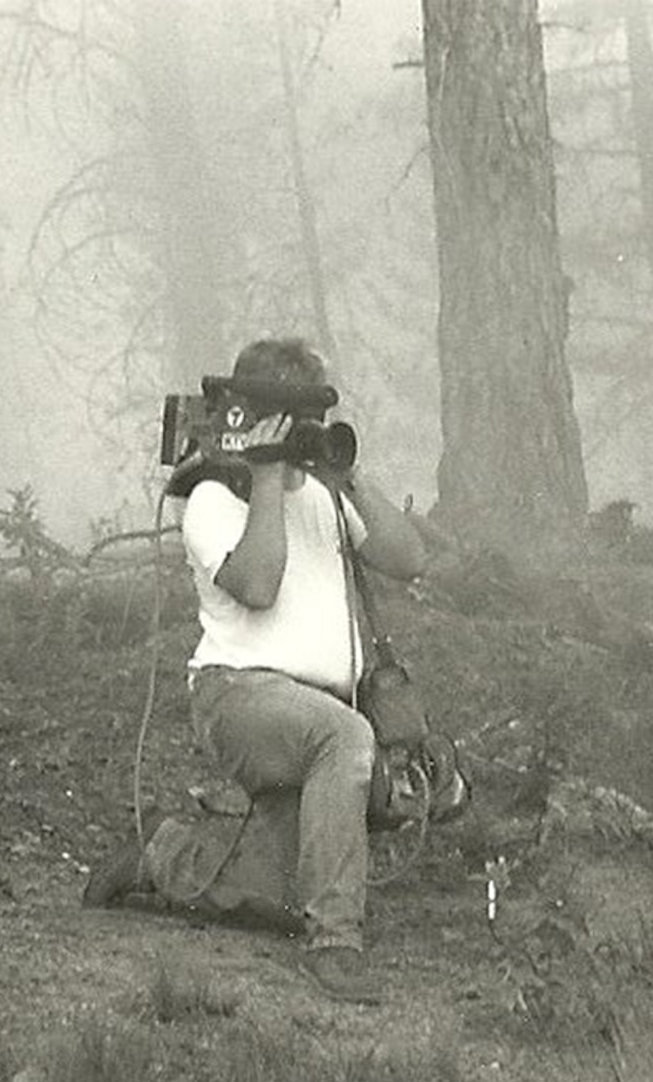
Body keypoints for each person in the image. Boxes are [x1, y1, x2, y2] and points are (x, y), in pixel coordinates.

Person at [126, 336, 434, 1007]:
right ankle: (335, 943)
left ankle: (163, 857)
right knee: (345, 741)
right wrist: (268, 473)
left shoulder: (325, 496)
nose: (303, 437)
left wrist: (345, 475)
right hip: (239, 695)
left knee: (280, 879)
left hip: (322, 707)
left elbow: (409, 559)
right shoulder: (214, 496)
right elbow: (259, 584)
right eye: (290, 424)